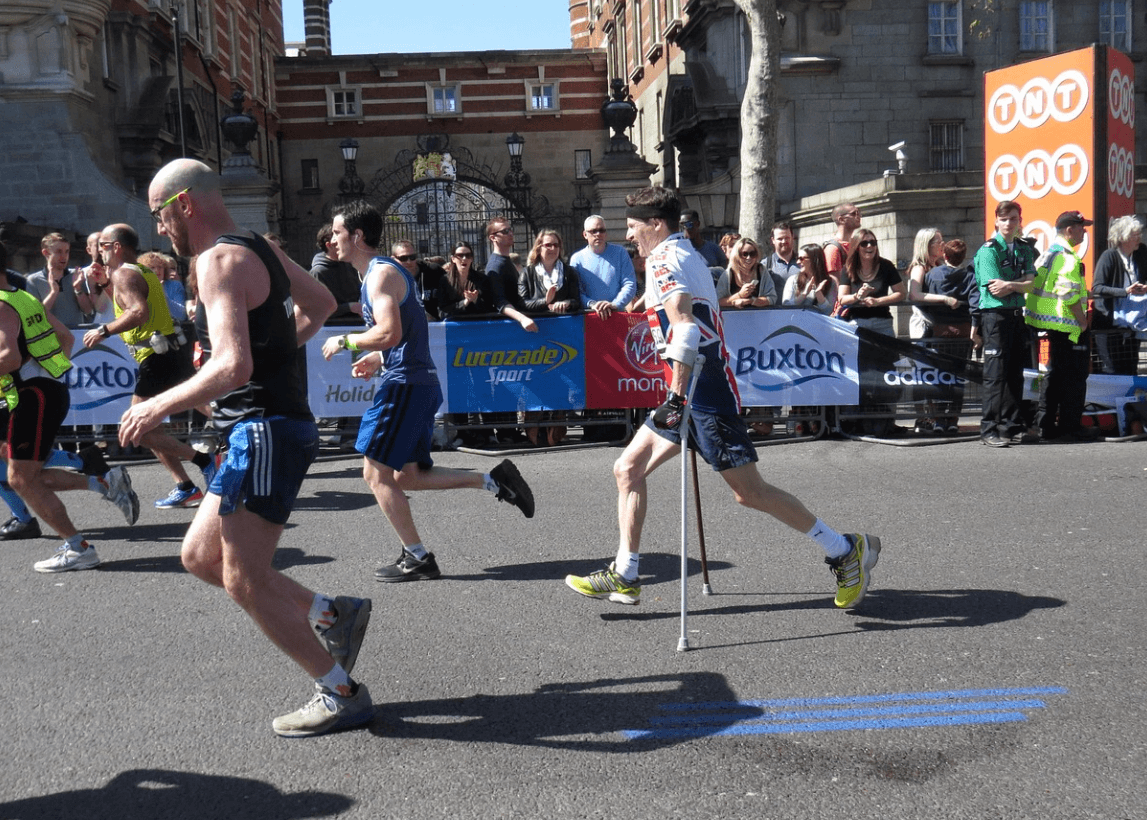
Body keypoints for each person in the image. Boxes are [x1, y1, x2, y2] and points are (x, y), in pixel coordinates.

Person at [120, 158, 372, 738]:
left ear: (185, 204)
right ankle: (333, 612)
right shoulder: (255, 245)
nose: (159, 228)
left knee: (243, 577)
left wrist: (156, 404)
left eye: (160, 214)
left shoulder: (217, 260)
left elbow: (232, 366)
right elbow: (322, 306)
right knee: (198, 557)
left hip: (262, 430)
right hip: (264, 427)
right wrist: (274, 355)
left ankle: (340, 692)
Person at [564, 185, 881, 610]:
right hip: (689, 388)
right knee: (628, 469)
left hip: (702, 390)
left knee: (750, 493)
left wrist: (676, 398)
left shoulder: (663, 258)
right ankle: (626, 573)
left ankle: (845, 549)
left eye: (635, 227)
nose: (630, 237)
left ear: (657, 225)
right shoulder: (688, 254)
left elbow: (687, 329)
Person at [320, 199, 536, 582]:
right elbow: (401, 334)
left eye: (337, 232)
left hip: (405, 385)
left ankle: (417, 556)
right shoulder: (374, 273)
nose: (331, 239)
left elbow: (390, 331)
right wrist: (377, 357)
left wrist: (351, 342)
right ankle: (492, 480)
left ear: (356, 235)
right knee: (407, 475)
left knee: (374, 473)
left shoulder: (379, 275)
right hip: (411, 380)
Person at [0, 243, 138, 573]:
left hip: (32, 396)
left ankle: (79, 547)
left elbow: (10, 357)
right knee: (26, 475)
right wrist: (49, 373)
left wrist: (34, 377)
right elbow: (66, 337)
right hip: (43, 392)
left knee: (19, 478)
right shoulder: (24, 297)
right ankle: (103, 482)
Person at [82, 224, 217, 508]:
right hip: (168, 350)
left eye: (103, 245)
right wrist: (106, 286)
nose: (99, 251)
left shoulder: (123, 273)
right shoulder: (136, 271)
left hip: (157, 357)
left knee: (137, 429)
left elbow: (138, 312)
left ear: (117, 247)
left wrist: (104, 331)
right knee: (204, 408)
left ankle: (205, 463)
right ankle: (188, 483)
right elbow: (127, 302)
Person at [974, 200, 1039, 447]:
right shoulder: (989, 250)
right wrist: (1019, 282)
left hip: (1015, 316)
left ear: (1019, 220)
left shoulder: (1023, 248)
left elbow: (1030, 284)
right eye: (1004, 219)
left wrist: (1011, 284)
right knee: (995, 375)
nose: (1009, 223)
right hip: (995, 318)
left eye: (1013, 219)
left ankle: (1010, 426)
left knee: (1015, 373)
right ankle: (989, 428)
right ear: (996, 221)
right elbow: (995, 289)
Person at [1024, 211, 1093, 442]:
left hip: (1045, 325)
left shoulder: (1048, 254)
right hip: (1068, 327)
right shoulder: (1067, 257)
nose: (1085, 230)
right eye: (1081, 226)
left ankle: (1045, 426)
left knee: (1052, 378)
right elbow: (1067, 293)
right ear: (1069, 230)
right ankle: (1070, 427)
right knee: (1074, 379)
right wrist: (1082, 322)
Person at [519, 229, 580, 446]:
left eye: (555, 245)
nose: (552, 248)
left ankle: (556, 430)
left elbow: (577, 300)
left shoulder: (569, 272)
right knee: (536, 382)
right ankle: (534, 430)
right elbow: (523, 303)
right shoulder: (527, 273)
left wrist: (567, 304)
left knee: (560, 381)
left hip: (563, 335)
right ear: (539, 247)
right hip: (535, 335)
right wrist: (546, 302)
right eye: (547, 245)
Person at [918, 239, 976, 434]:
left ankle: (939, 419)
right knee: (958, 376)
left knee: (940, 376)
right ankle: (953, 418)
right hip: (963, 331)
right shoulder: (970, 276)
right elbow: (975, 302)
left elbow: (922, 301)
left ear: (945, 255)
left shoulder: (932, 275)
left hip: (940, 331)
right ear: (963, 256)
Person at [1091, 215, 1147, 376]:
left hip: (1133, 324)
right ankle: (1108, 402)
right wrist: (1125, 291)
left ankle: (1128, 401)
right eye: (1134, 235)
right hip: (1109, 326)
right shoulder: (1109, 256)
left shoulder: (1141, 253)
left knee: (1130, 368)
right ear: (1123, 237)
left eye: (1138, 234)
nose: (1139, 238)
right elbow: (1097, 288)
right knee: (1110, 370)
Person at [836, 229, 906, 336]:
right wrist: (857, 296)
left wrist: (878, 301)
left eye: (873, 243)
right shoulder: (848, 268)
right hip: (856, 323)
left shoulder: (886, 266)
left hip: (883, 323)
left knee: (887, 353)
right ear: (857, 247)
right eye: (864, 243)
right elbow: (842, 299)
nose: (869, 246)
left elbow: (901, 293)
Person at [571, 215, 637, 320]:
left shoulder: (620, 252)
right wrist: (593, 305)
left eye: (602, 230)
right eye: (594, 231)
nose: (598, 234)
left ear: (606, 233)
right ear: (585, 234)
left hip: (617, 315)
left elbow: (629, 283)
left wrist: (615, 304)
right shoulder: (576, 259)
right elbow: (576, 291)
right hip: (588, 317)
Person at [26, 232, 99, 327]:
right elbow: (35, 315)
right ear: (46, 253)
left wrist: (78, 288)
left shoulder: (76, 275)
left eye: (67, 251)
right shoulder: (33, 280)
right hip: (49, 335)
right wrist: (53, 292)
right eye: (59, 251)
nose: (64, 256)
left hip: (75, 334)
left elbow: (88, 310)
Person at [483, 219, 538, 334]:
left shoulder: (506, 260)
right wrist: (522, 318)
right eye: (505, 231)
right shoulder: (495, 266)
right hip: (512, 328)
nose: (511, 234)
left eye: (510, 230)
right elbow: (500, 301)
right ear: (493, 238)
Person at [310, 223, 363, 324]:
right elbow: (318, 310)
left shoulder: (348, 264)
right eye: (340, 241)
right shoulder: (318, 272)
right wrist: (348, 307)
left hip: (357, 324)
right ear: (329, 245)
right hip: (332, 328)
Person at [905, 227, 948, 341]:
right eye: (939, 242)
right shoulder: (919, 268)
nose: (943, 245)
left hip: (939, 325)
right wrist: (944, 299)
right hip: (924, 327)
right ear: (927, 245)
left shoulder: (940, 266)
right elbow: (914, 294)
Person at [391, 240, 445, 321]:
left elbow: (448, 297)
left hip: (434, 326)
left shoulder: (434, 271)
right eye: (403, 258)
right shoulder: (390, 278)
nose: (409, 262)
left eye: (412, 257)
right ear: (393, 259)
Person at [716, 237, 777, 308]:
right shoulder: (728, 274)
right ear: (737, 255)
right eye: (744, 254)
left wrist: (752, 301)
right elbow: (718, 301)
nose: (749, 258)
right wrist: (739, 296)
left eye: (752, 254)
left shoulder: (761, 271)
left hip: (759, 316)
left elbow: (772, 298)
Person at [782, 243, 837, 314]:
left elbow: (828, 312)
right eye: (797, 258)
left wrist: (819, 295)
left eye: (801, 259)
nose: (798, 262)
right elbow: (786, 306)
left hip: (818, 324)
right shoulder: (793, 280)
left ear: (814, 260)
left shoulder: (830, 282)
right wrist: (804, 294)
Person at [139, 251, 188, 323]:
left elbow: (182, 315)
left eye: (160, 267)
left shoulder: (174, 286)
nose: (157, 270)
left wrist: (163, 296)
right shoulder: (137, 287)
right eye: (152, 268)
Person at [823, 203, 862, 278]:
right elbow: (835, 284)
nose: (858, 216)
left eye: (859, 213)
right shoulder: (832, 248)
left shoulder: (856, 245)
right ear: (841, 219)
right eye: (854, 213)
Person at [765, 221, 800, 297]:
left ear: (792, 237)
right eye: (780, 239)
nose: (784, 241)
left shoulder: (803, 262)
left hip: (799, 308)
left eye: (787, 238)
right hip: (775, 308)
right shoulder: (766, 265)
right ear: (773, 240)